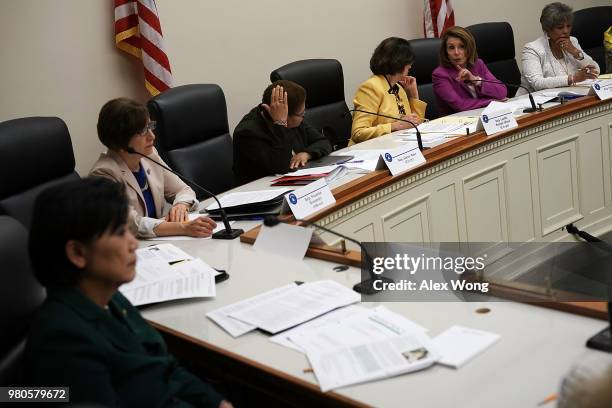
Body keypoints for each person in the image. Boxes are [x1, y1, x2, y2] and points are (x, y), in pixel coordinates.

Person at [24, 177, 233, 408]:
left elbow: (164, 367)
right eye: (119, 232)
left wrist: (217, 403)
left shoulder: (110, 298)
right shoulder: (63, 339)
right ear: (77, 253)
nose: (133, 243)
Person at [90, 98, 216, 239]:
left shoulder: (149, 155)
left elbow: (183, 190)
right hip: (131, 249)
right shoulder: (103, 174)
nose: (152, 136)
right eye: (143, 131)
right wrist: (183, 227)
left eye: (150, 126)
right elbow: (132, 224)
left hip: (160, 243)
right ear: (121, 138)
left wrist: (181, 205)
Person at [232, 80, 332, 185]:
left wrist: (307, 154)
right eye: (301, 113)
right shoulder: (247, 133)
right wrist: (280, 124)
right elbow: (280, 167)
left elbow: (323, 142)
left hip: (294, 184)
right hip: (262, 191)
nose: (304, 116)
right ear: (284, 114)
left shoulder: (294, 120)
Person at [350, 37, 426, 145]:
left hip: (398, 147)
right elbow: (358, 133)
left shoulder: (398, 87)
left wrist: (414, 94)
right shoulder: (370, 87)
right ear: (399, 61)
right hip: (370, 153)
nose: (410, 65)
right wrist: (395, 126)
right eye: (408, 61)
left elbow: (415, 123)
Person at [519, 2, 599, 94]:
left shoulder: (572, 41)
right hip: (533, 103)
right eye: (560, 27)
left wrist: (575, 52)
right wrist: (573, 78)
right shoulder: (532, 49)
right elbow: (537, 83)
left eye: (568, 26)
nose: (565, 31)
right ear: (548, 29)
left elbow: (596, 69)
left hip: (569, 97)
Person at [432, 26, 507, 115]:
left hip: (485, 116)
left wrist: (476, 81)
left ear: (469, 48)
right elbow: (461, 105)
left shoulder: (478, 64)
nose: (456, 52)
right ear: (445, 52)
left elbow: (502, 91)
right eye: (451, 48)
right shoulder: (440, 75)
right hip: (458, 123)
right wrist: (492, 101)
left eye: (462, 47)